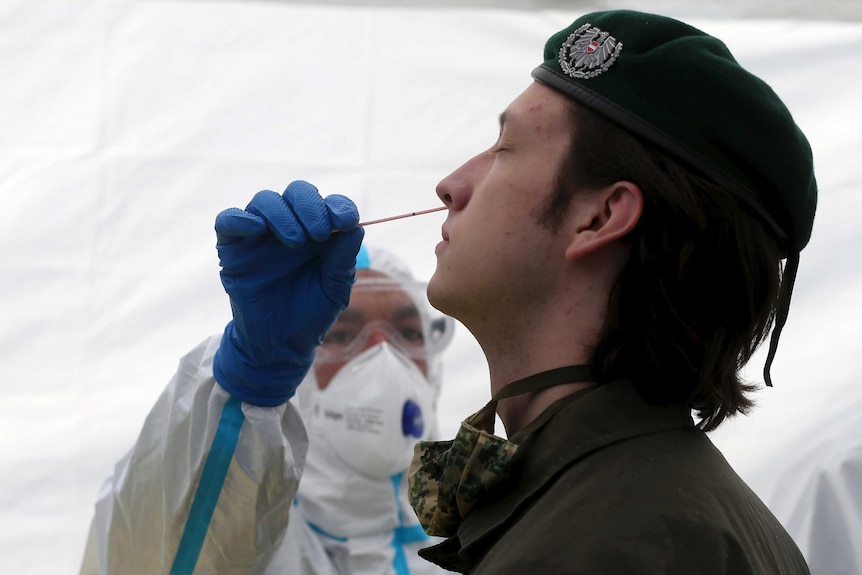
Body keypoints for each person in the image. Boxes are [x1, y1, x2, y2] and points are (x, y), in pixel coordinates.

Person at [404, 9, 817, 575]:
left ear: (599, 217)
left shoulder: (602, 543)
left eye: (504, 148)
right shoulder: (636, 503)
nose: (451, 186)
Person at [80, 189, 454, 575]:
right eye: (343, 336)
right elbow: (150, 552)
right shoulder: (251, 540)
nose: (383, 357)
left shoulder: (480, 543)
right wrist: (244, 386)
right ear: (302, 366)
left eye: (407, 333)